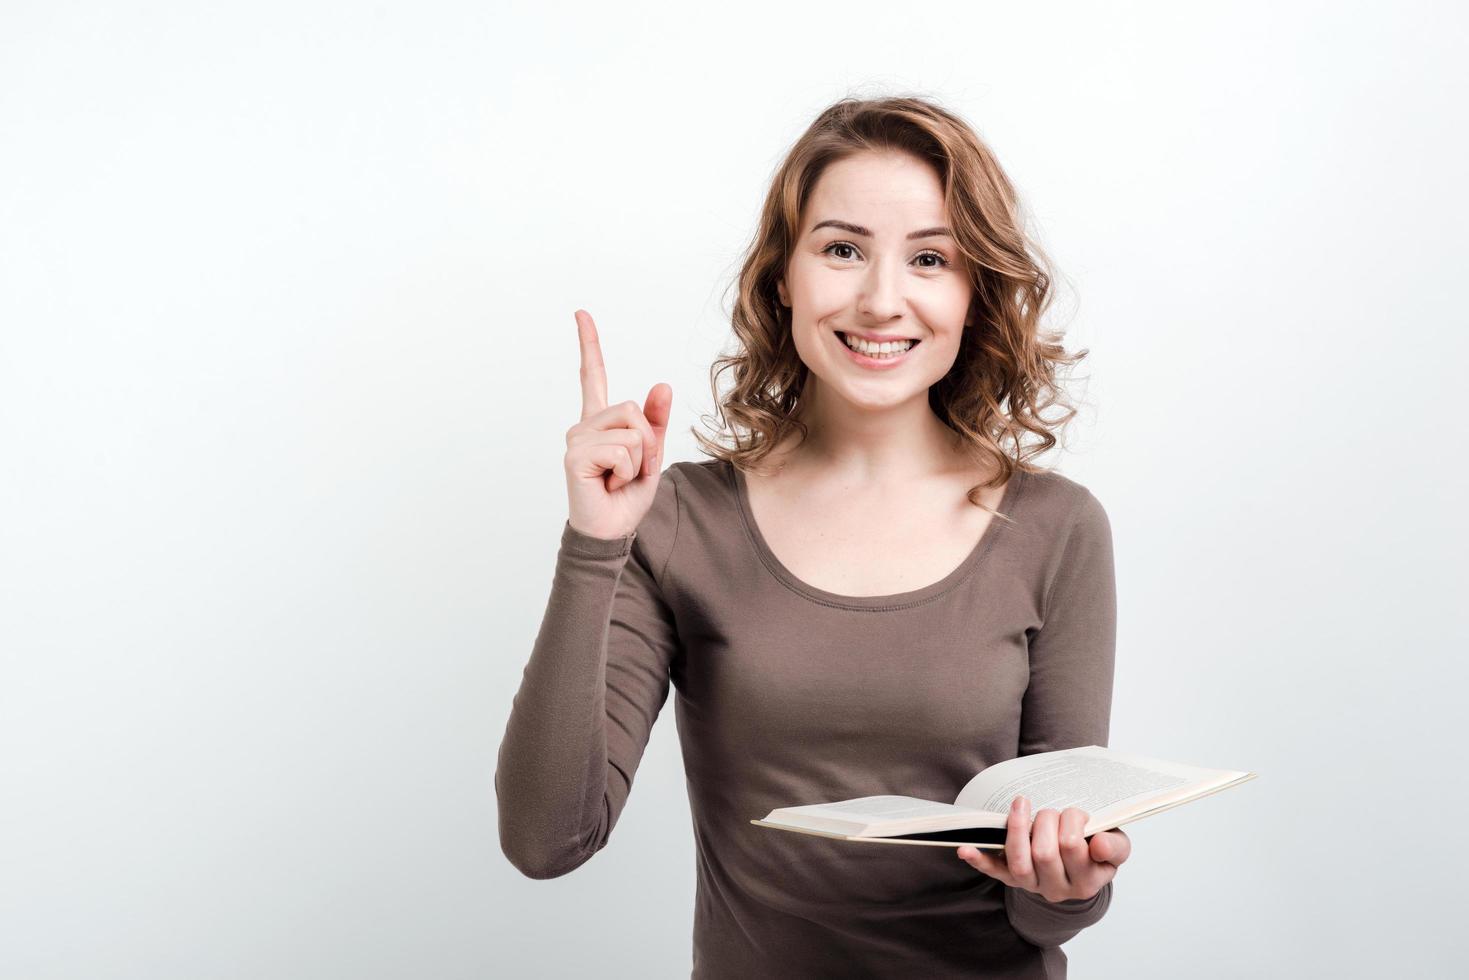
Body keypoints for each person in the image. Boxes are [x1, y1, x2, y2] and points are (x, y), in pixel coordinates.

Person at [496, 95, 1132, 979]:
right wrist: (593, 544)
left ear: (973, 291)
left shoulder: (1056, 530)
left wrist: (1067, 885)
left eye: (928, 258)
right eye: (841, 249)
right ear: (782, 278)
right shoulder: (679, 520)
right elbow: (545, 838)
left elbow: (1043, 914)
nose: (880, 300)